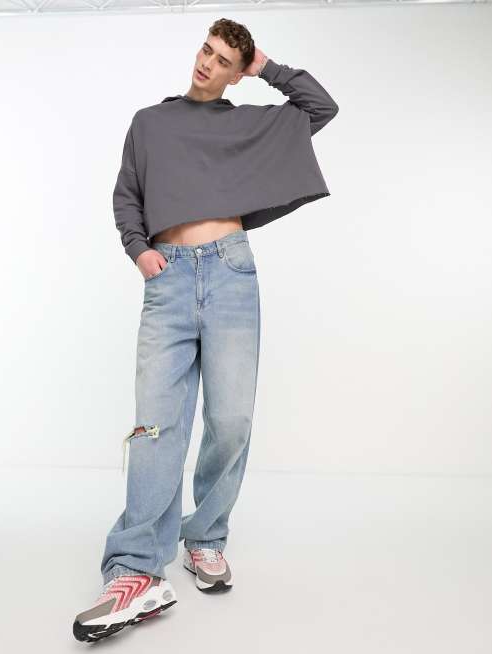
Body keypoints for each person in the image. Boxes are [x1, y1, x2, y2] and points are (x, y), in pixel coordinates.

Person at [73, 17, 338, 643]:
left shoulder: (246, 123)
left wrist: (264, 66)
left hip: (231, 273)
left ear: (237, 72)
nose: (207, 63)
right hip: (167, 278)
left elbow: (320, 107)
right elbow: (126, 195)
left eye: (222, 60)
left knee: (232, 419)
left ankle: (206, 536)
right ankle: (135, 569)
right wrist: (140, 250)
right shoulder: (150, 122)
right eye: (205, 49)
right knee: (155, 426)